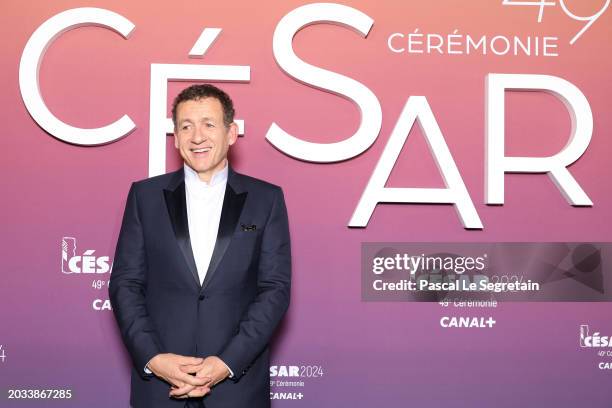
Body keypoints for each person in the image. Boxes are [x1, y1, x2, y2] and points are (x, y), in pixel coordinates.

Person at [109, 84, 291, 408]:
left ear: (231, 133)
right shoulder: (144, 197)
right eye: (186, 126)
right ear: (176, 138)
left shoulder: (267, 200)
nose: (197, 137)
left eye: (208, 124)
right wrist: (154, 358)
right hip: (160, 390)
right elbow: (126, 284)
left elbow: (274, 289)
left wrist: (227, 363)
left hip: (238, 389)